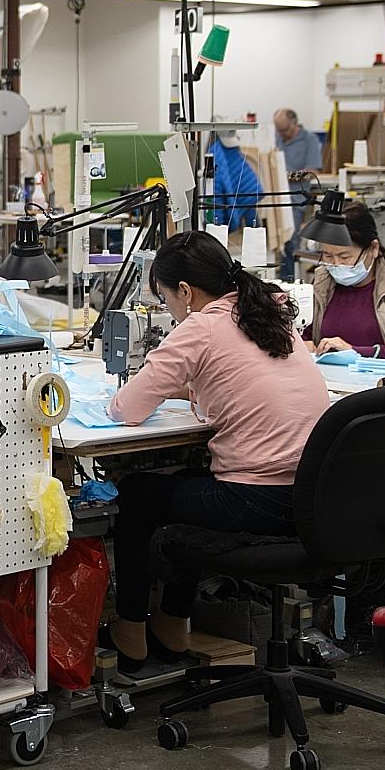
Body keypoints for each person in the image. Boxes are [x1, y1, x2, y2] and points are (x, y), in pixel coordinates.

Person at [101, 231, 329, 673]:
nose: (167, 310)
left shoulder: (201, 327)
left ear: (185, 292)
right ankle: (173, 623)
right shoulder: (272, 311)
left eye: (165, 298)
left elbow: (126, 408)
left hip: (256, 500)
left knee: (136, 494)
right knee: (188, 482)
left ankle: (130, 629)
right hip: (312, 498)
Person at [306, 202, 385, 361]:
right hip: (332, 380)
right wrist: (303, 345)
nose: (335, 264)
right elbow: (305, 335)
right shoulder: (322, 282)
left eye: (345, 257)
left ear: (373, 248)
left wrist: (354, 352)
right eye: (327, 256)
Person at [274, 108, 323, 279]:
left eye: (285, 130)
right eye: (279, 130)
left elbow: (312, 171)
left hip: (294, 200)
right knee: (272, 242)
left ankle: (288, 281)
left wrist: (287, 175)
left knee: (290, 242)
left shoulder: (309, 140)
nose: (282, 134)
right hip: (274, 197)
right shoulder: (277, 137)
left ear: (294, 124)